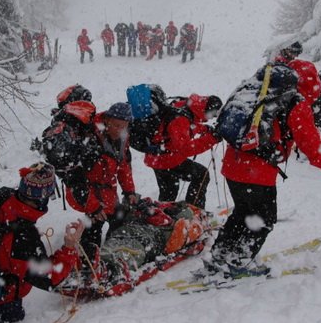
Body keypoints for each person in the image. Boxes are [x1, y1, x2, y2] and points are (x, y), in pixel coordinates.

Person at [204, 63, 321, 277]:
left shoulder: (260, 91)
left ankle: (219, 256)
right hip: (257, 172)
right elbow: (312, 146)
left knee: (243, 212)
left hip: (233, 164)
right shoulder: (294, 102)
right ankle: (239, 261)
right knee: (263, 219)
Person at [0, 163, 84, 323]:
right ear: (42, 197)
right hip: (4, 294)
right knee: (11, 321)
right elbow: (49, 278)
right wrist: (69, 247)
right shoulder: (25, 238)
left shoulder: (3, 195)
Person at [58, 198, 211, 297]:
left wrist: (161, 218)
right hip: (129, 229)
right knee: (117, 243)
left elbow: (178, 238)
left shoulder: (191, 221)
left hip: (149, 239)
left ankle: (106, 269)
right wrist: (145, 208)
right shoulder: (165, 206)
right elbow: (141, 205)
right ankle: (90, 263)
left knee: (129, 252)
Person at [65, 102, 138, 259]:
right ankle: (88, 264)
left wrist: (129, 191)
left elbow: (123, 167)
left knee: (120, 219)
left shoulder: (122, 140)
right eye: (116, 125)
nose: (119, 130)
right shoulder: (89, 139)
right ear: (108, 121)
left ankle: (110, 255)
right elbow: (77, 180)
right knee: (94, 227)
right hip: (88, 192)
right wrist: (93, 207)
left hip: (107, 191)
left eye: (123, 126)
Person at [144, 92, 222, 209]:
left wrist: (205, 129)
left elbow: (188, 127)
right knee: (201, 175)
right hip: (166, 159)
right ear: (207, 109)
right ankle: (193, 212)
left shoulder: (187, 106)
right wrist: (211, 139)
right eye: (212, 115)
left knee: (169, 192)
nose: (211, 118)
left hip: (157, 155)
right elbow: (185, 148)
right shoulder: (181, 118)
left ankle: (162, 217)